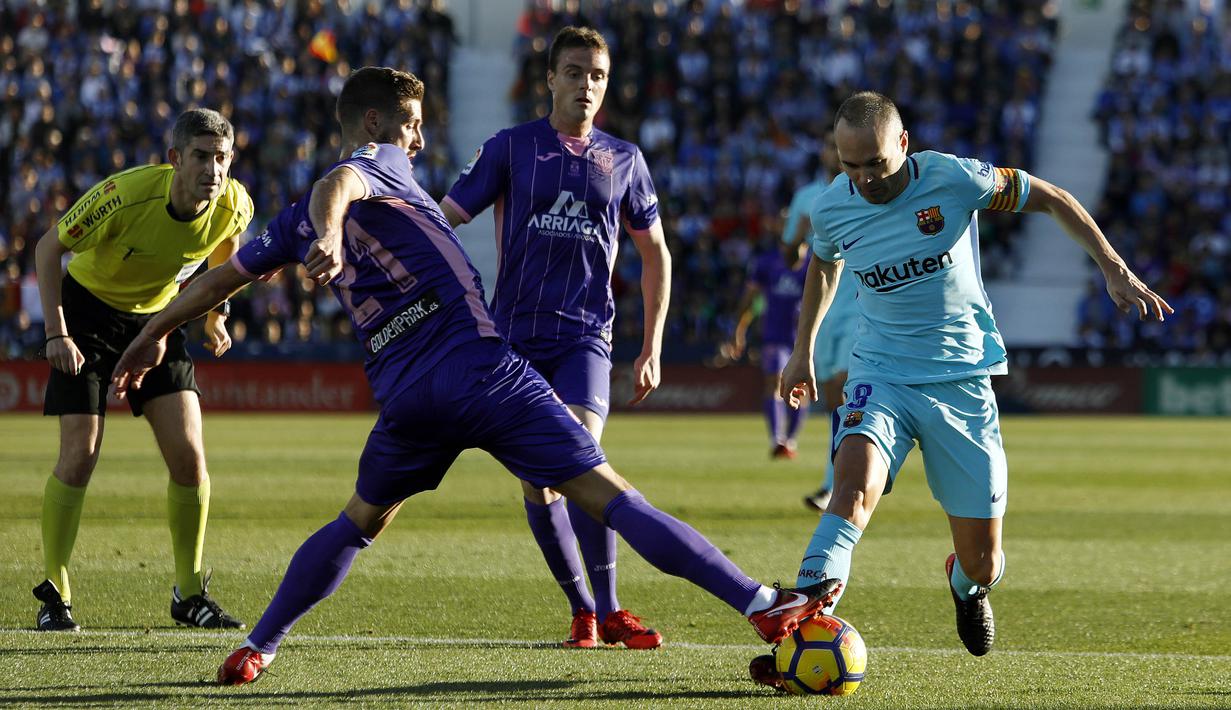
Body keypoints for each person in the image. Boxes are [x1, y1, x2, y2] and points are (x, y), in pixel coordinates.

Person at [108, 66, 841, 686]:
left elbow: (218, 282)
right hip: (480, 369)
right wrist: (332, 229)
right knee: (610, 496)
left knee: (359, 519)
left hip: (405, 399)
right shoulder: (374, 164)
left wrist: (149, 334)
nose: (421, 138)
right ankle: (759, 603)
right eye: (413, 124)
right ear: (376, 123)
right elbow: (341, 184)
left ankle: (259, 645)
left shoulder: (293, 218)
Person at [750, 90, 1172, 689]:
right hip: (881, 373)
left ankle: (964, 583)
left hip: (961, 379)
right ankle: (801, 627)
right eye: (851, 165)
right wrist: (803, 351)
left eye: (875, 163)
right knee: (852, 485)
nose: (865, 178)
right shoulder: (831, 207)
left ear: (903, 144)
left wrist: (1112, 266)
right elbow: (823, 263)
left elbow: (1052, 197)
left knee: (984, 562)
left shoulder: (954, 178)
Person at [440, 26, 671, 650]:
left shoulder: (625, 160)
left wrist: (651, 345)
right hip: (513, 340)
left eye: (596, 75)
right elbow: (446, 219)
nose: (586, 86)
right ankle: (582, 610)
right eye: (574, 73)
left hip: (584, 340)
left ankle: (613, 608)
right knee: (540, 482)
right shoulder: (511, 148)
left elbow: (656, 254)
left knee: (578, 459)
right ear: (549, 80)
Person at [31, 108, 252, 632]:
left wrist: (217, 315)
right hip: (86, 314)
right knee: (80, 454)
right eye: (201, 156)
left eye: (222, 158)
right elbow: (47, 249)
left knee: (190, 456)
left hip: (157, 319)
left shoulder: (234, 204)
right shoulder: (125, 194)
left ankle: (190, 594)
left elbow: (228, 251)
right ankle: (55, 594)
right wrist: (56, 333)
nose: (213, 170)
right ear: (175, 158)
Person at [781, 132, 859, 512]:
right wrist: (795, 239)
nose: (834, 151)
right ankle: (847, 476)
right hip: (822, 312)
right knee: (832, 401)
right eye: (829, 145)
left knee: (846, 393)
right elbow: (790, 257)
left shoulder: (864, 189)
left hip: (859, 307)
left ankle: (836, 487)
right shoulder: (807, 198)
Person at [724, 240, 809, 459]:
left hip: (805, 337)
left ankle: (790, 440)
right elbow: (750, 298)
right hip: (774, 335)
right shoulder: (766, 262)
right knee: (774, 381)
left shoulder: (816, 260)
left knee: (801, 388)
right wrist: (739, 330)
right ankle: (776, 439)